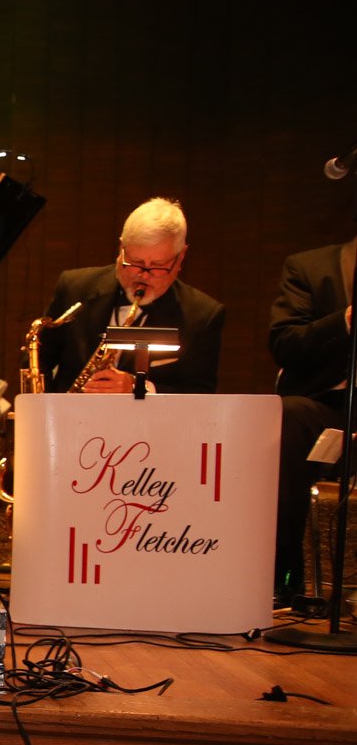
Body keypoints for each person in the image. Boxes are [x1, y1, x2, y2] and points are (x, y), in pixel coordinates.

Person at [36, 197, 225, 394]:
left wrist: (138, 388)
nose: (143, 275)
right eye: (135, 262)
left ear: (181, 257)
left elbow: (200, 393)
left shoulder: (202, 316)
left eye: (158, 266)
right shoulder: (74, 287)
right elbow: (40, 360)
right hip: (68, 411)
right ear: (121, 248)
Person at [267, 235, 354, 602]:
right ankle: (283, 576)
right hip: (330, 407)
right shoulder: (310, 267)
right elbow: (285, 343)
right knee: (289, 415)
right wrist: (345, 320)